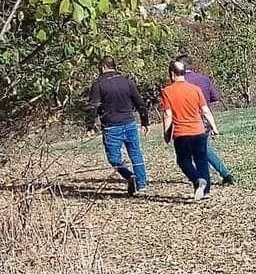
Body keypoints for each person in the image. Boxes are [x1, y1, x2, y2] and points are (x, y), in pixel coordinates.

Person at [85, 57, 149, 196]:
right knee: (136, 154)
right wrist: (144, 121)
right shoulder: (127, 81)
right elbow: (140, 102)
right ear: (114, 66)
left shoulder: (99, 84)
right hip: (130, 123)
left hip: (111, 126)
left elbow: (93, 106)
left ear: (102, 67)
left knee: (114, 158)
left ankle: (129, 176)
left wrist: (90, 125)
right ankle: (142, 184)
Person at [172, 56, 235, 185]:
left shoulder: (179, 83)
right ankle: (216, 176)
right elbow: (214, 97)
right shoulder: (204, 79)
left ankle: (221, 175)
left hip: (188, 121)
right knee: (202, 149)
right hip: (205, 118)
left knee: (201, 152)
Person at [159, 60, 217, 200]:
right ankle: (206, 191)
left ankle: (197, 180)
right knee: (201, 160)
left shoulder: (167, 91)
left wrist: (166, 133)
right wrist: (214, 127)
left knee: (183, 161)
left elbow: (168, 115)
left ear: (172, 74)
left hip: (181, 133)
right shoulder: (195, 89)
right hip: (199, 130)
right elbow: (205, 110)